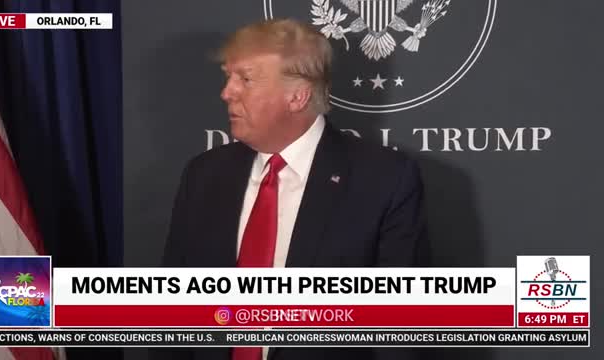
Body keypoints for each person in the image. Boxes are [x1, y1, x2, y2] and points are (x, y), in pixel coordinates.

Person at [160, 18, 427, 360]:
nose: (227, 92)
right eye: (228, 77)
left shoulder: (384, 180)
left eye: (245, 79)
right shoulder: (203, 176)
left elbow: (401, 331)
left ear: (297, 96)